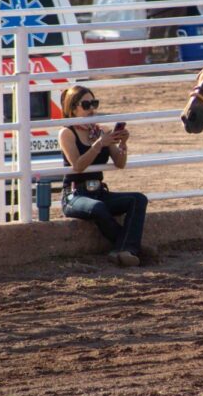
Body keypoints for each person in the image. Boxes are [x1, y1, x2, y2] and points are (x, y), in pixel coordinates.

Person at [58, 85, 149, 267]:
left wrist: (122, 143)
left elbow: (120, 163)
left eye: (94, 103)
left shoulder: (100, 131)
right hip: (75, 195)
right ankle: (130, 248)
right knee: (98, 207)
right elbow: (78, 165)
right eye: (86, 105)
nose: (92, 109)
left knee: (138, 199)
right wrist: (99, 145)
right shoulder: (67, 132)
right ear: (73, 108)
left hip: (99, 191)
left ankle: (121, 250)